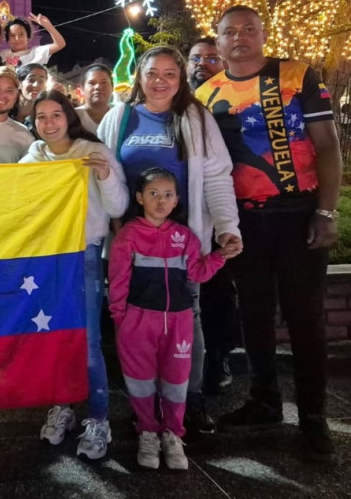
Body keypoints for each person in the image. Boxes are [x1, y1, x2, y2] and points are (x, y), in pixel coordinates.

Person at [196, 5, 342, 459]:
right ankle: (265, 401)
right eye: (229, 32)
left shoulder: (297, 75)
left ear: (263, 33)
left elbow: (328, 146)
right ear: (217, 42)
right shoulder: (205, 94)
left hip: (298, 213)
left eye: (249, 29)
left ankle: (315, 419)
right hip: (244, 222)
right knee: (254, 316)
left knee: (305, 319)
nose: (239, 37)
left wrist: (327, 212)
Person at [97, 45, 242, 435]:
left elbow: (215, 177)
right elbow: (102, 177)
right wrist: (109, 225)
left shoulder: (195, 118)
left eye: (170, 74)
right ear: (139, 77)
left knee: (186, 321)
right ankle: (143, 402)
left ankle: (188, 398)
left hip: (182, 246)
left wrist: (228, 226)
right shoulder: (119, 117)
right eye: (152, 73)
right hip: (132, 245)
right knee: (135, 327)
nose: (160, 81)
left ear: (180, 80)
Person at [20, 91, 128, 460]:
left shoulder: (91, 151)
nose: (49, 124)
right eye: (41, 117)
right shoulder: (33, 156)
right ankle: (63, 406)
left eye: (56, 115)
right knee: (54, 336)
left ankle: (99, 419)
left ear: (69, 116)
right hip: (46, 259)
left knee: (88, 340)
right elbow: (14, 197)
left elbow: (118, 205)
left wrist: (104, 174)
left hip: (84, 256)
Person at [109, 167, 232, 471]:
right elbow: (118, 282)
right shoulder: (128, 236)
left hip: (179, 323)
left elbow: (196, 274)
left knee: (177, 382)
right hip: (137, 323)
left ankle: (173, 434)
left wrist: (220, 256)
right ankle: (148, 432)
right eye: (153, 194)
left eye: (167, 195)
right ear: (140, 198)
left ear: (177, 200)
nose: (161, 201)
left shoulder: (185, 237)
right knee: (140, 383)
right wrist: (121, 321)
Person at [186, 37, 237, 394]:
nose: (202, 63)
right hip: (189, 216)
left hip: (229, 206)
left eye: (210, 57)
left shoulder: (234, 98)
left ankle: (218, 356)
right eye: (195, 58)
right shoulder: (180, 105)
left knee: (218, 291)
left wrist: (225, 223)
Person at [0, 14, 66, 67]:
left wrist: (48, 26)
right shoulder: (2, 55)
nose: (17, 39)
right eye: (12, 35)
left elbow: (60, 44)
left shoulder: (37, 52)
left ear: (27, 37)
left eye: (21, 34)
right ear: (8, 39)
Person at [76, 64, 114, 135]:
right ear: (82, 89)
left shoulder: (121, 114)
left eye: (104, 82)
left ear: (112, 87)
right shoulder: (73, 117)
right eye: (92, 83)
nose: (98, 87)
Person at [12, 63, 49, 130]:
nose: (36, 85)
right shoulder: (4, 112)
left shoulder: (45, 118)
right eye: (31, 80)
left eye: (41, 81)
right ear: (19, 83)